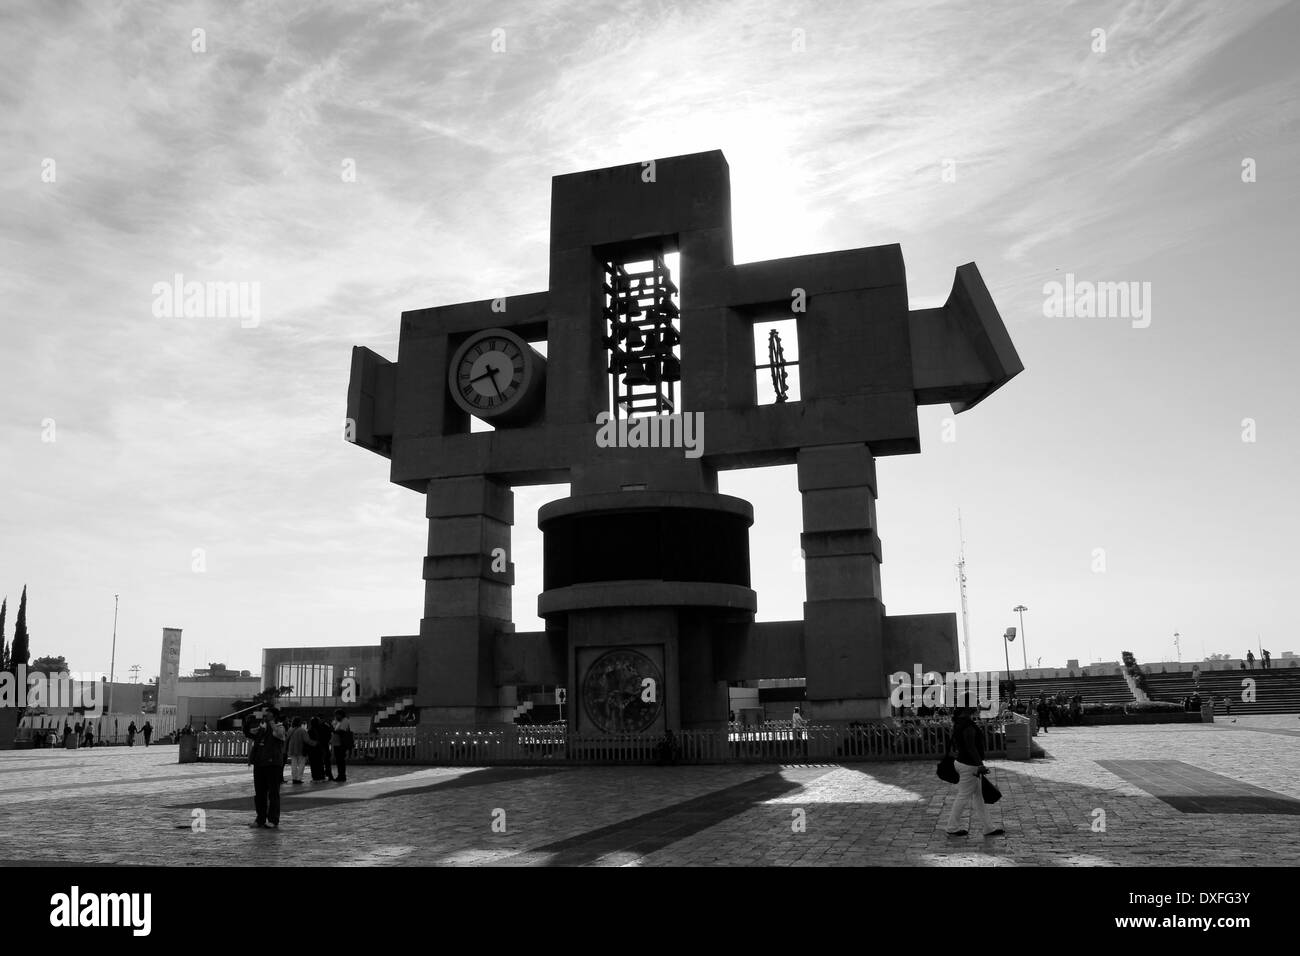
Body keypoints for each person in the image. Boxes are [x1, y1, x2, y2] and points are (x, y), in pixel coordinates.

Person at [944, 707, 1004, 837]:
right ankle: (951, 827)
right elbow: (971, 747)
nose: (976, 706)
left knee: (978, 797)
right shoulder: (967, 725)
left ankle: (988, 827)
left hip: (963, 762)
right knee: (963, 796)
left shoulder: (959, 722)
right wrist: (980, 765)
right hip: (969, 766)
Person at [245, 709, 286, 828]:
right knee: (259, 793)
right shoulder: (262, 728)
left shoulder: (279, 727)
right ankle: (260, 818)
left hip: (273, 765)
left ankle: (273, 819)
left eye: (269, 714)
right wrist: (247, 723)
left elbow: (280, 735)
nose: (265, 715)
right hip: (260, 764)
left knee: (273, 793)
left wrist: (272, 723)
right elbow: (249, 734)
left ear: (274, 716)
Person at [331, 709, 352, 783]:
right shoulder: (339, 721)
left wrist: (333, 731)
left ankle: (342, 776)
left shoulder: (345, 720)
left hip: (341, 744)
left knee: (341, 761)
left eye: (337, 715)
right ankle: (340, 775)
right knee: (339, 761)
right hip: (337, 743)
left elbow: (342, 731)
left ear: (341, 714)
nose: (336, 716)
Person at [286, 718, 308, 785]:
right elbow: (306, 740)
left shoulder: (290, 729)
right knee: (301, 764)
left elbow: (287, 739)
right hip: (300, 749)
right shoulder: (302, 730)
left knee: (293, 764)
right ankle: (299, 778)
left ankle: (294, 778)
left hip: (292, 749)